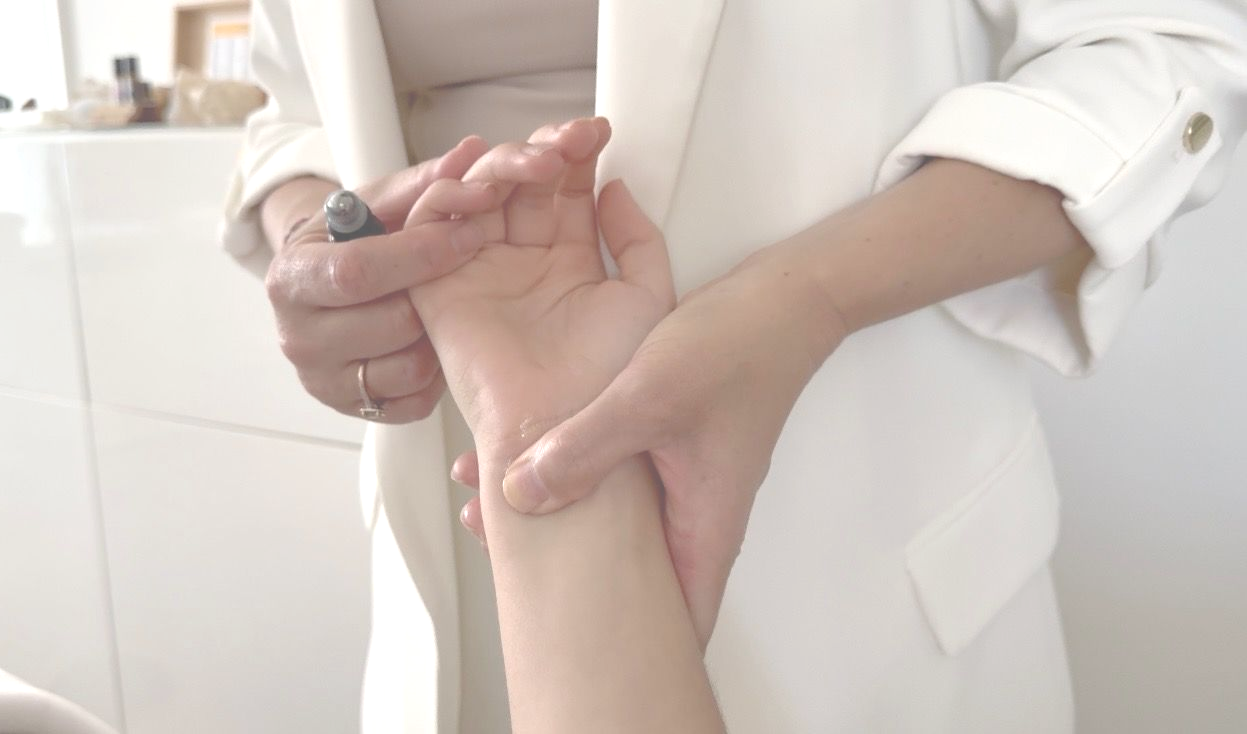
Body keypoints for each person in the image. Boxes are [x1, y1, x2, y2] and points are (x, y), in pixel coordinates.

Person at [222, 1, 1247, 731]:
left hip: (851, 525)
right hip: (470, 504)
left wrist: (804, 297)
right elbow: (288, 112)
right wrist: (322, 246)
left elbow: (1165, 41)